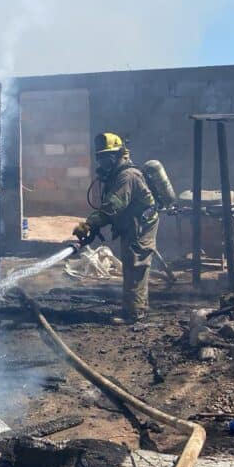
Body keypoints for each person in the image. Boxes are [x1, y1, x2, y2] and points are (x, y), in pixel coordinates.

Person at [73, 132, 158, 324]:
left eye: (107, 157)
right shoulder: (117, 174)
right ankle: (133, 308)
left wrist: (89, 224)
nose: (102, 163)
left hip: (140, 225)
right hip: (131, 223)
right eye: (100, 158)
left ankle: (135, 314)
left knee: (136, 265)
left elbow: (112, 206)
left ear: (119, 155)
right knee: (130, 263)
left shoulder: (127, 176)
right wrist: (94, 228)